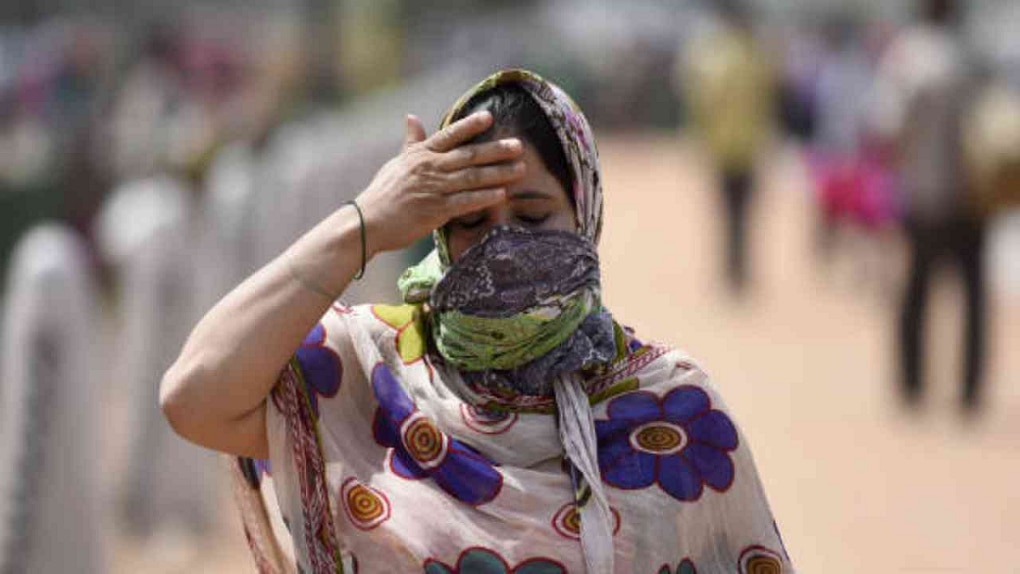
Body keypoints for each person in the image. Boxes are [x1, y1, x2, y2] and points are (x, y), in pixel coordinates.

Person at [161, 69, 793, 573]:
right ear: (435, 232)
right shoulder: (367, 375)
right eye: (470, 221)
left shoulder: (672, 411)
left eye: (533, 215)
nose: (503, 247)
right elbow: (194, 395)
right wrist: (365, 222)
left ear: (584, 213)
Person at [870, 0, 986, 410]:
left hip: (923, 193)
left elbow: (888, 127)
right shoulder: (971, 55)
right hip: (973, 194)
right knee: (973, 296)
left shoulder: (906, 57)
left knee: (917, 289)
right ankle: (970, 390)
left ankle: (912, 383)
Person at [682, 0, 775, 294]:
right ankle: (739, 269)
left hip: (722, 147)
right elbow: (769, 101)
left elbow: (702, 100)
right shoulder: (757, 55)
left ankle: (730, 270)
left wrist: (700, 137)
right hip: (749, 146)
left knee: (727, 213)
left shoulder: (715, 56)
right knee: (744, 213)